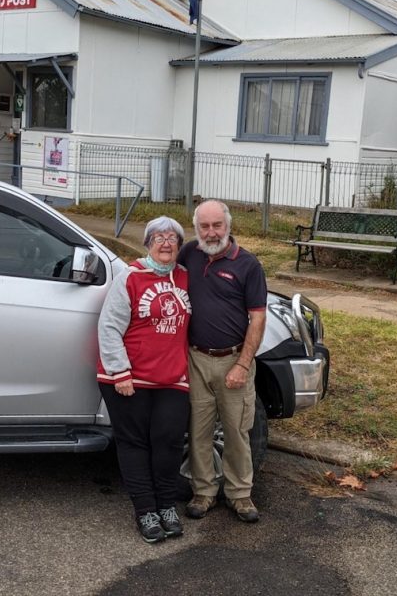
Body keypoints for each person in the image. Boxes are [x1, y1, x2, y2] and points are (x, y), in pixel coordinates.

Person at [96, 216, 192, 544]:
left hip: (172, 378)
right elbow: (109, 327)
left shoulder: (184, 278)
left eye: (172, 238)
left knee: (169, 442)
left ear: (179, 246)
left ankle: (167, 505)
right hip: (129, 378)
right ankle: (145, 511)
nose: (165, 243)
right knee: (134, 444)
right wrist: (120, 372)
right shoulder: (130, 278)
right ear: (148, 243)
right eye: (158, 237)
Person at [177, 200, 267, 523]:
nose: (211, 232)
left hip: (233, 360)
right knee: (198, 431)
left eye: (217, 225)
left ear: (228, 226)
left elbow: (257, 319)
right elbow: (157, 265)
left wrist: (243, 365)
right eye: (205, 226)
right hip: (196, 359)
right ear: (196, 227)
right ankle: (203, 492)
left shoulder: (248, 265)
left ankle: (240, 494)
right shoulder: (188, 254)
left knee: (236, 432)